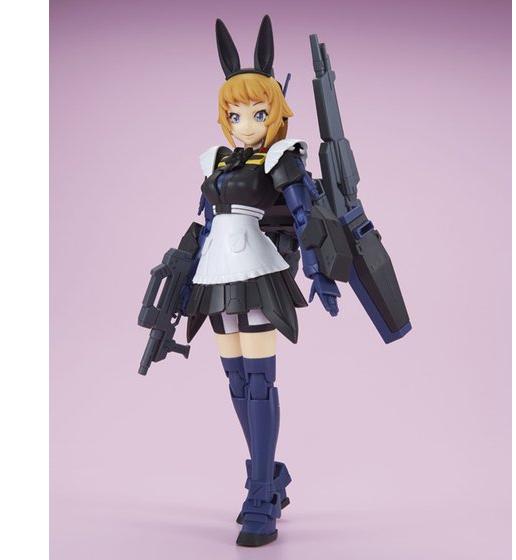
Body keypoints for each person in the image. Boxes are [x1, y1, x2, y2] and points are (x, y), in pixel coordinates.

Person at [182, 15, 340, 547]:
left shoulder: (281, 158)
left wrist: (318, 269)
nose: (245, 124)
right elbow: (206, 224)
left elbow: (306, 219)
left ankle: (260, 492)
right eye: (235, 114)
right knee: (234, 380)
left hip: (258, 268)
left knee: (258, 381)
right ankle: (269, 473)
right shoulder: (217, 160)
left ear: (275, 112)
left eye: (257, 113)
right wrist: (184, 276)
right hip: (216, 274)